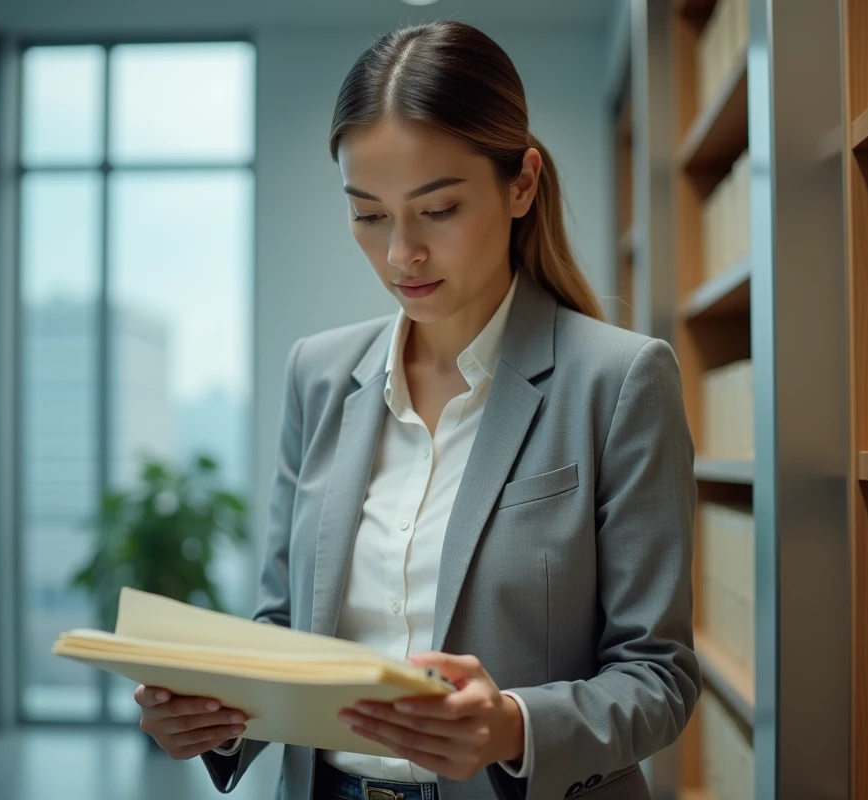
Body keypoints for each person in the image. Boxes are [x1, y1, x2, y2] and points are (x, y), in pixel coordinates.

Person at [132, 19, 700, 800]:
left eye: (437, 210)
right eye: (368, 215)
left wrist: (510, 725)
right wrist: (219, 716)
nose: (401, 254)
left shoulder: (620, 380)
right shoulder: (319, 374)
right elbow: (283, 631)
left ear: (521, 185)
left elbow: (659, 679)